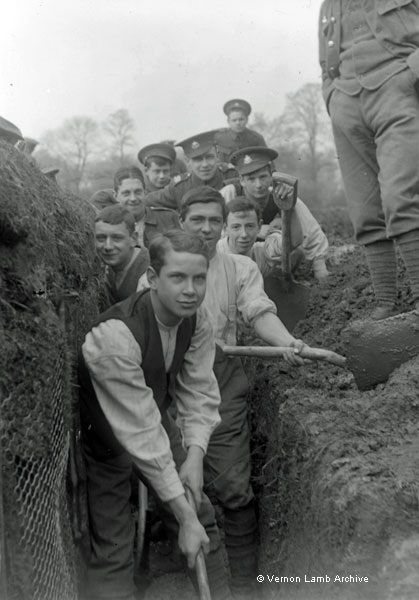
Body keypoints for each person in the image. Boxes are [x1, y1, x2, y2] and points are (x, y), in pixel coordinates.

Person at [78, 230, 231, 600]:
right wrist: (184, 518)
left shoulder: (196, 318)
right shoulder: (113, 339)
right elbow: (142, 434)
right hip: (106, 440)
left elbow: (198, 391)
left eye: (199, 278)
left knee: (201, 515)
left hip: (152, 420)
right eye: (177, 277)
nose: (190, 290)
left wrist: (194, 457)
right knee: (113, 547)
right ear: (152, 278)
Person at [177, 186, 310, 598]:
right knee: (178, 490)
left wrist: (286, 342)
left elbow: (258, 311)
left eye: (213, 220)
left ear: (222, 224)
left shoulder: (239, 268)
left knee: (234, 488)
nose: (206, 228)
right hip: (169, 383)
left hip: (222, 382)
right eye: (197, 220)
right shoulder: (162, 265)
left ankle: (244, 587)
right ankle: (197, 580)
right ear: (181, 222)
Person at [319, 0, 419, 318]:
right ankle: (385, 303)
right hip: (346, 103)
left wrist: (413, 71)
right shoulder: (328, 6)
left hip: (398, 89)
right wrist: (332, 96)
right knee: (364, 209)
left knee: (400, 197)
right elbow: (326, 61)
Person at [222, 146, 330, 281]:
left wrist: (319, 265)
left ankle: (275, 282)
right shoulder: (229, 194)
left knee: (297, 253)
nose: (258, 185)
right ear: (242, 180)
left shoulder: (282, 197)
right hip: (234, 255)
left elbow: (311, 231)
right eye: (251, 179)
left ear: (272, 176)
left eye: (263, 177)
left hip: (269, 254)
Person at [144, 130, 236, 212]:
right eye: (198, 159)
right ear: (187, 161)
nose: (205, 164)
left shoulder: (232, 174)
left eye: (209, 157)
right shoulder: (179, 187)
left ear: (217, 156)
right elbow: (146, 201)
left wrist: (234, 186)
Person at [217, 196, 304, 276]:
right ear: (225, 228)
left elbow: (293, 241)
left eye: (250, 226)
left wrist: (290, 207)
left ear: (259, 226)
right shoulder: (214, 253)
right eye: (236, 227)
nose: (244, 234)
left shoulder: (262, 252)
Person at [94, 206, 150, 305]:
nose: (108, 246)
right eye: (101, 238)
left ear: (133, 239)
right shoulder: (110, 268)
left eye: (117, 238)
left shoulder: (149, 273)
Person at [113, 166, 179, 247]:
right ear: (116, 196)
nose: (133, 198)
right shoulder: (107, 226)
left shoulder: (169, 219)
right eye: (126, 193)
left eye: (138, 192)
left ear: (145, 193)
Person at [214, 99, 267, 163]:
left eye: (241, 119)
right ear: (228, 121)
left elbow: (266, 160)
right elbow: (215, 162)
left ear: (247, 120)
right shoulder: (219, 138)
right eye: (234, 120)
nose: (238, 123)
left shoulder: (256, 138)